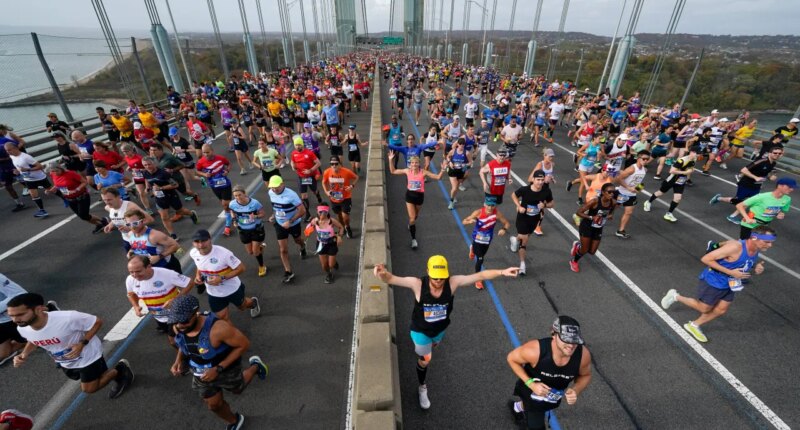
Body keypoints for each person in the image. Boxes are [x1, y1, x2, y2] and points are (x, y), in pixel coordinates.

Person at [373, 256, 519, 409]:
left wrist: (503, 271)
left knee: (433, 346)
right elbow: (391, 279)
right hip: (420, 331)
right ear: (428, 272)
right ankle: (422, 386)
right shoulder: (417, 284)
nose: (438, 281)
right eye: (435, 278)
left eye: (442, 278)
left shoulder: (453, 283)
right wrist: (382, 274)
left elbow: (480, 275)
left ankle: (425, 350)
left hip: (440, 330)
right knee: (426, 359)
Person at [165, 294, 268, 430]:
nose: (179, 325)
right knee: (214, 405)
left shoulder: (218, 329)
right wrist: (178, 360)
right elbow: (183, 343)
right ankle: (234, 421)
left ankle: (255, 366)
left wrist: (218, 369)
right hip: (200, 374)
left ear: (195, 313)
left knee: (238, 389)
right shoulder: (178, 326)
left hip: (225, 368)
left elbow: (243, 344)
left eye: (184, 321)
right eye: (176, 321)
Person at [661, 225, 775, 343]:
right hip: (714, 280)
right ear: (755, 238)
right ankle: (675, 296)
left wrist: (756, 267)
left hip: (730, 282)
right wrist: (731, 272)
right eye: (767, 242)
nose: (770, 245)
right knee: (704, 308)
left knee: (721, 310)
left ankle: (694, 325)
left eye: (771, 242)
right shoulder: (735, 247)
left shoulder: (755, 249)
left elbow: (744, 262)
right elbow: (706, 259)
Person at [8, 293, 134, 398]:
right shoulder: (22, 328)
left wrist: (82, 343)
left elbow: (97, 322)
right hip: (65, 361)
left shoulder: (67, 318)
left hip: (88, 357)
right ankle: (106, 374)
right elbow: (33, 339)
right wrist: (24, 354)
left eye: (20, 314)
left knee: (89, 388)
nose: (15, 320)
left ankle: (120, 370)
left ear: (38, 309)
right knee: (87, 378)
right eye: (12, 316)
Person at [506, 316, 592, 430]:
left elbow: (585, 375)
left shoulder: (583, 356)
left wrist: (576, 390)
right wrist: (531, 384)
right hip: (531, 393)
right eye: (566, 339)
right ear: (554, 334)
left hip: (551, 398)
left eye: (574, 340)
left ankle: (516, 408)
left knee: (540, 406)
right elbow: (511, 358)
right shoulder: (534, 351)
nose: (571, 345)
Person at [189, 229, 260, 321]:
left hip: (233, 289)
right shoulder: (193, 253)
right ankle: (231, 335)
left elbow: (241, 268)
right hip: (213, 293)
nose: (201, 245)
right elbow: (200, 265)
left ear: (210, 239)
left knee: (242, 307)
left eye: (203, 241)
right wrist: (198, 275)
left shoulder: (224, 254)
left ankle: (253, 302)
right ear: (193, 243)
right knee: (222, 317)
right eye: (197, 242)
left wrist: (222, 278)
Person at [709, 146, 783, 224]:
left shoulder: (773, 163)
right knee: (737, 201)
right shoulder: (761, 161)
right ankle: (719, 198)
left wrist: (770, 176)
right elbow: (743, 170)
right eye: (775, 153)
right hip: (746, 184)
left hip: (756, 186)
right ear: (770, 153)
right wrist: (755, 177)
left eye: (779, 153)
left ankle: (732, 216)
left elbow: (764, 173)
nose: (777, 155)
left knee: (750, 201)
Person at [387, 153, 446, 249]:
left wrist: (443, 170)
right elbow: (393, 171)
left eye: (416, 163)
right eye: (412, 163)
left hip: (419, 197)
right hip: (410, 196)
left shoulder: (423, 172)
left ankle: (410, 224)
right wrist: (390, 160)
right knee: (412, 218)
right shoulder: (407, 171)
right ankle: (413, 239)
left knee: (415, 216)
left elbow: (438, 177)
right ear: (410, 164)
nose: (414, 164)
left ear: (419, 164)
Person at [125, 255, 193, 336]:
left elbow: (190, 282)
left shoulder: (167, 274)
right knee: (170, 335)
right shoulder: (130, 280)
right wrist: (136, 306)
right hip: (158, 316)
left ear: (149, 266)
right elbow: (131, 294)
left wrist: (175, 299)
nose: (135, 275)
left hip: (177, 314)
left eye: (138, 271)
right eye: (131, 272)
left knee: (179, 339)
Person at [141, 156, 198, 239]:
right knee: (164, 217)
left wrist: (161, 188)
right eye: (145, 165)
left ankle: (191, 214)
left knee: (180, 211)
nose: (147, 167)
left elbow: (175, 185)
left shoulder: (164, 173)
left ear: (154, 164)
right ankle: (173, 235)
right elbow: (147, 180)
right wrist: (147, 187)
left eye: (149, 164)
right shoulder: (145, 173)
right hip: (159, 197)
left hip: (171, 195)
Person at [510, 170, 554, 276]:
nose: (540, 182)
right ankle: (522, 265)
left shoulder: (546, 191)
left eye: (542, 180)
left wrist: (545, 206)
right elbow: (513, 195)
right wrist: (519, 206)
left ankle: (515, 240)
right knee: (524, 240)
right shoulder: (525, 190)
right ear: (533, 179)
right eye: (538, 180)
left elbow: (552, 203)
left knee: (524, 237)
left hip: (534, 220)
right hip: (522, 218)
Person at [462, 196, 511, 289]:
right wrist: (469, 222)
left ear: (495, 206)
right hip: (477, 239)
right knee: (480, 260)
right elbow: (463, 221)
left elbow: (507, 223)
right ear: (484, 204)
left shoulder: (497, 214)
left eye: (492, 206)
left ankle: (472, 249)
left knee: (482, 255)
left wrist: (504, 229)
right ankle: (478, 279)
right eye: (488, 205)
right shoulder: (478, 212)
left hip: (487, 240)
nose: (490, 208)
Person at [44, 162, 109, 233]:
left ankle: (103, 220)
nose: (55, 173)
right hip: (70, 199)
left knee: (83, 215)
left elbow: (84, 182)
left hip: (82, 196)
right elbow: (57, 185)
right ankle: (100, 223)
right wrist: (50, 190)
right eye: (52, 171)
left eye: (56, 171)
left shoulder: (70, 174)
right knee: (83, 217)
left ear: (61, 168)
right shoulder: (53, 174)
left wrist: (76, 190)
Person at [266, 176, 308, 283]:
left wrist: (290, 221)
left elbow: (303, 210)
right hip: (279, 224)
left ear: (282, 184)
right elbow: (276, 207)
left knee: (298, 240)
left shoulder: (292, 195)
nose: (274, 189)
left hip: (293, 224)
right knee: (283, 249)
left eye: (276, 187)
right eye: (272, 187)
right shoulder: (271, 192)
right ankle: (288, 271)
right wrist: (273, 216)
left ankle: (303, 246)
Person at [643, 145, 699, 222]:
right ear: (692, 152)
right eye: (698, 153)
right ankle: (648, 202)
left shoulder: (694, 159)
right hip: (672, 180)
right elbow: (671, 171)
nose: (699, 155)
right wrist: (685, 172)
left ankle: (669, 213)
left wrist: (691, 171)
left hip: (680, 181)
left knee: (678, 198)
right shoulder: (681, 161)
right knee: (660, 193)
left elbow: (691, 167)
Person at [570, 183, 617, 273]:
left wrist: (610, 216)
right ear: (603, 192)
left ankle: (578, 245)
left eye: (613, 192)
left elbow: (611, 212)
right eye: (609, 192)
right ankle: (574, 261)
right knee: (584, 250)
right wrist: (592, 217)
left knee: (592, 252)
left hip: (598, 228)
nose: (612, 194)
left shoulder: (613, 202)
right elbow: (578, 212)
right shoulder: (594, 202)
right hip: (586, 226)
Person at [124, 208, 183, 273]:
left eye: (135, 223)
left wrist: (159, 256)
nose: (132, 227)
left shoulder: (155, 235)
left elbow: (176, 245)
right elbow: (136, 245)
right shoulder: (130, 234)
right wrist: (131, 251)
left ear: (143, 221)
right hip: (150, 270)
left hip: (167, 267)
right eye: (128, 224)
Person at [228, 185, 268, 277]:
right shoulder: (232, 204)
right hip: (243, 230)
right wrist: (234, 220)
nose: (238, 198)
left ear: (245, 194)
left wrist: (256, 216)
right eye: (236, 196)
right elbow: (232, 211)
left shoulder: (255, 203)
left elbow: (263, 214)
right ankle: (260, 247)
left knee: (255, 252)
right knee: (250, 252)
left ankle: (262, 266)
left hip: (256, 229)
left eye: (240, 195)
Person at [196, 144, 235, 236]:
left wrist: (227, 171)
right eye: (204, 152)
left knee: (225, 204)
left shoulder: (220, 158)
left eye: (207, 152)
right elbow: (197, 171)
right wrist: (205, 175)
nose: (206, 154)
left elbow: (228, 164)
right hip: (214, 185)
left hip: (225, 184)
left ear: (212, 151)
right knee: (224, 203)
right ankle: (233, 212)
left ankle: (228, 225)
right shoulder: (201, 162)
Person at [612, 150, 652, 239]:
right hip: (622, 192)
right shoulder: (631, 169)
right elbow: (619, 179)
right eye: (644, 159)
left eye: (647, 159)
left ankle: (620, 231)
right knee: (613, 206)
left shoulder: (645, 169)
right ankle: (605, 214)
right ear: (638, 158)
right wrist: (628, 187)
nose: (645, 161)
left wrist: (638, 189)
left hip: (631, 195)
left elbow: (638, 182)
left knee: (628, 212)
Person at [4, 142, 49, 218]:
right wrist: (18, 171)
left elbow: (40, 166)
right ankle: (42, 210)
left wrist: (27, 169)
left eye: (9, 150)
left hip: (39, 177)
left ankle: (65, 198)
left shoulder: (26, 157)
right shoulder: (12, 156)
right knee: (33, 195)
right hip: (28, 179)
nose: (8, 152)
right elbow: (19, 166)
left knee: (51, 190)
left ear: (15, 148)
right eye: (6, 150)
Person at [305, 203, 345, 283]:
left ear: (327, 212)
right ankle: (329, 274)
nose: (322, 214)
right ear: (317, 212)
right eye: (320, 212)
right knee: (324, 266)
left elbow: (341, 227)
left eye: (324, 212)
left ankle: (333, 263)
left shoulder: (331, 221)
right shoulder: (315, 221)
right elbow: (307, 230)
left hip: (331, 244)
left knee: (331, 265)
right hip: (321, 244)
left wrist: (340, 236)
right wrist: (309, 229)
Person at [321, 155, 359, 238]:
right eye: (332, 164)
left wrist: (351, 186)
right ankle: (342, 227)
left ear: (339, 163)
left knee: (345, 216)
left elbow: (356, 177)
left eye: (336, 163)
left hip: (346, 197)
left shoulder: (346, 171)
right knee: (339, 215)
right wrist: (326, 191)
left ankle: (347, 227)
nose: (334, 166)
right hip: (334, 199)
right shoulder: (327, 172)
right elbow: (323, 182)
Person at [290, 137, 323, 221]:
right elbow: (292, 161)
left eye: (299, 145)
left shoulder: (309, 153)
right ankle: (307, 214)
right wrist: (293, 166)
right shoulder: (293, 153)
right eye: (296, 145)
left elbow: (319, 163)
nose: (298, 146)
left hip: (310, 176)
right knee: (304, 196)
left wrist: (310, 170)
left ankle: (318, 196)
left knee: (314, 191)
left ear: (302, 144)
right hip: (301, 177)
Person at [445, 138, 472, 210]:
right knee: (454, 187)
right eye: (460, 145)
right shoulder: (453, 151)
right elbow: (447, 156)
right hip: (452, 171)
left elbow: (470, 162)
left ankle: (453, 196)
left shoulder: (467, 153)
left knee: (456, 187)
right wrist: (450, 162)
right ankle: (451, 202)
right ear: (457, 145)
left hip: (461, 171)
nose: (462, 147)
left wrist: (466, 165)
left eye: (463, 145)